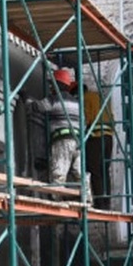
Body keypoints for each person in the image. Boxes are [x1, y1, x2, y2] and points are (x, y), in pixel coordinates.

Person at [27, 67, 87, 198]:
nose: (50, 87)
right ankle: (87, 199)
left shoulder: (54, 99)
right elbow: (84, 123)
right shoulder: (77, 103)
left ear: (57, 84)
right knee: (79, 173)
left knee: (58, 173)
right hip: (78, 141)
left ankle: (57, 202)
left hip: (62, 140)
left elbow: (38, 107)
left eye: (52, 84)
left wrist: (27, 100)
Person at [80, 83, 115, 209]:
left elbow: (86, 119)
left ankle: (99, 202)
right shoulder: (101, 97)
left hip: (96, 137)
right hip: (108, 137)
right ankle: (106, 202)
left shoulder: (85, 98)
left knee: (94, 170)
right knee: (104, 170)